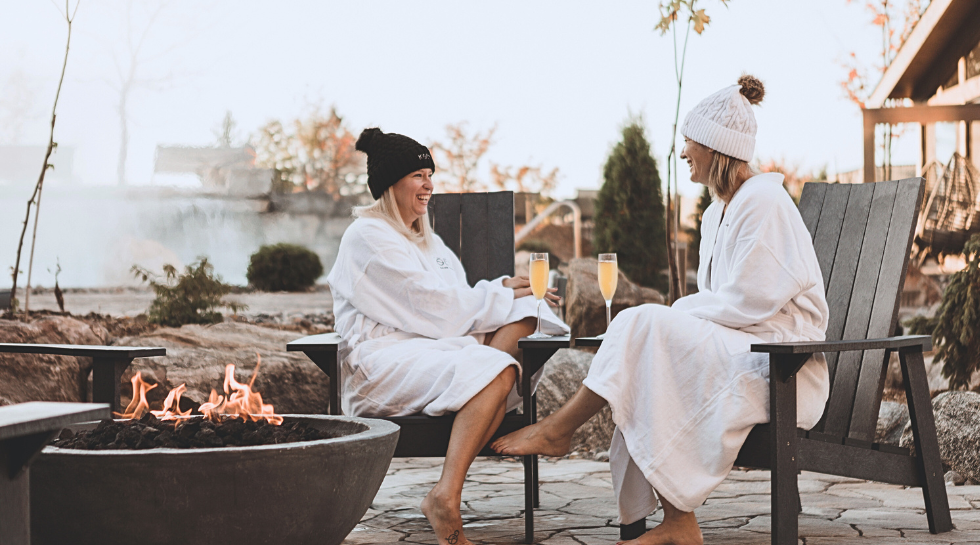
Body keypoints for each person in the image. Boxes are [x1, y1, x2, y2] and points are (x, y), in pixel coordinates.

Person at [492, 75, 829, 545]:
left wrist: (676, 315)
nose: (684, 151)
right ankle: (677, 523)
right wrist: (678, 319)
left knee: (644, 325)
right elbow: (727, 303)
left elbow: (752, 299)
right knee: (646, 354)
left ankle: (559, 430)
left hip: (781, 365)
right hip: (741, 346)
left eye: (689, 141)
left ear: (716, 147)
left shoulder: (765, 201)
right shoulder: (719, 211)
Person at [327, 127, 568, 545]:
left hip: (432, 350)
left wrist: (506, 289)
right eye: (419, 175)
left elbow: (452, 298)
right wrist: (499, 291)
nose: (429, 185)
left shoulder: (428, 241)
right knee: (497, 366)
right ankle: (445, 494)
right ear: (390, 184)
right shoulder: (366, 237)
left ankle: (483, 390)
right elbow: (431, 307)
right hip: (381, 364)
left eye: (429, 175)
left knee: (529, 309)